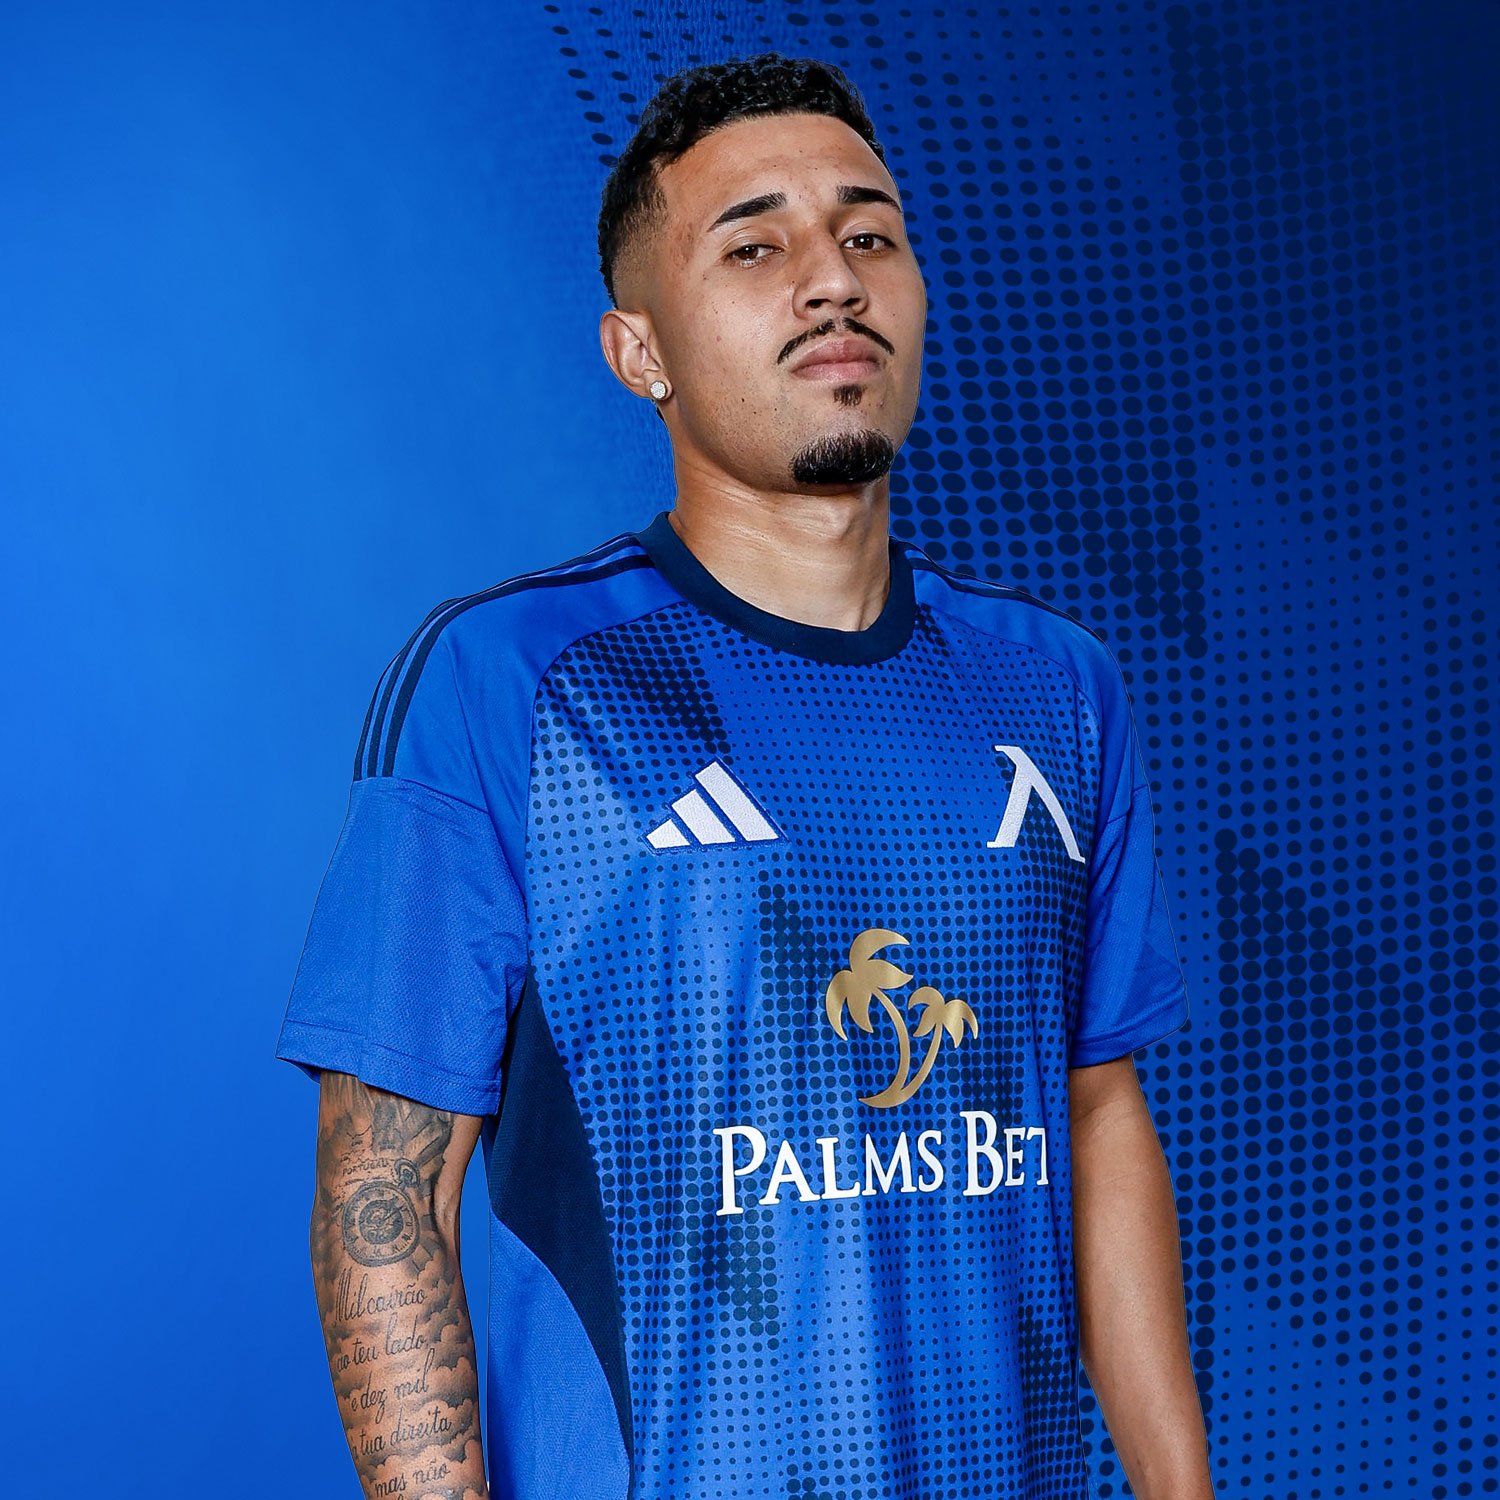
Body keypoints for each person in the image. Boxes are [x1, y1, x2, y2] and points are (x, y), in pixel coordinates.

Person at [275, 50, 1213, 1500]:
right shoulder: (514, 683)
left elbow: (1099, 1115)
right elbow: (383, 1192)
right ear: (637, 352)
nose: (833, 281)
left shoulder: (1057, 686)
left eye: (869, 234)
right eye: (756, 247)